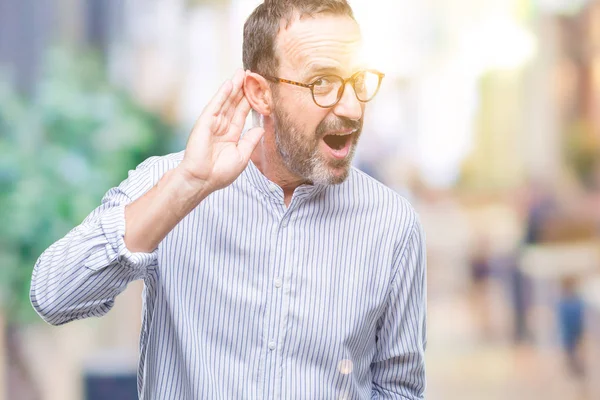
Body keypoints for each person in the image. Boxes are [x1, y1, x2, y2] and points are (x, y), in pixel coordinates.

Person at [30, 0, 427, 398]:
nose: (353, 107)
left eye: (358, 80)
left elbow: (399, 390)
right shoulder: (170, 184)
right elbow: (53, 296)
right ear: (260, 92)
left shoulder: (392, 224)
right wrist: (188, 185)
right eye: (322, 81)